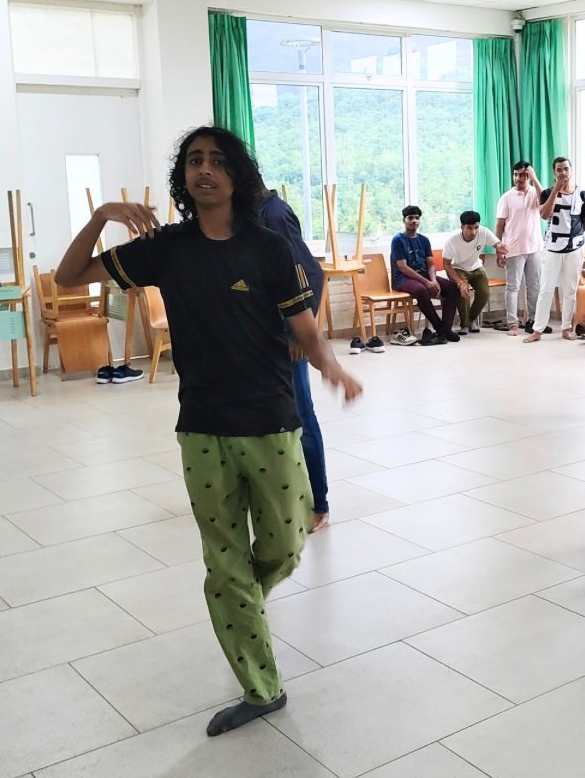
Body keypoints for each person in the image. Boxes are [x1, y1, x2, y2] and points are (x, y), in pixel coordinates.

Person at [54, 126, 361, 737]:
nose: (204, 171)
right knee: (223, 566)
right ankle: (260, 685)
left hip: (271, 421)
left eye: (217, 162)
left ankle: (239, 599)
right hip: (201, 426)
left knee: (286, 545)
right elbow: (69, 277)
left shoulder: (269, 248)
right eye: (194, 161)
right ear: (184, 176)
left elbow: (303, 328)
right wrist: (102, 215)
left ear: (235, 175)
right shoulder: (167, 248)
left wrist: (329, 364)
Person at [259, 186, 332, 531]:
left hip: (286, 338)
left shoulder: (272, 213)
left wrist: (299, 335)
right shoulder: (246, 216)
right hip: (260, 336)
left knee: (300, 415)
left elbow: (310, 273)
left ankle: (318, 504)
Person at [524, 157, 585, 343]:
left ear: (571, 170)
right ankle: (537, 329)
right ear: (554, 173)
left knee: (570, 289)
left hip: (574, 247)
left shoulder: (583, 195)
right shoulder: (547, 193)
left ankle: (566, 327)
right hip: (553, 248)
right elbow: (545, 214)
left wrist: (574, 235)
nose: (563, 173)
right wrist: (556, 190)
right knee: (546, 288)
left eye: (566, 169)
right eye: (559, 170)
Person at [390, 205, 460, 345]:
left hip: (425, 276)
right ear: (404, 220)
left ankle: (446, 329)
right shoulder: (398, 239)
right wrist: (426, 282)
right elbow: (403, 267)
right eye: (410, 218)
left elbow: (431, 263)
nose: (414, 221)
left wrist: (433, 280)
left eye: (417, 218)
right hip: (404, 279)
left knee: (452, 288)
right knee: (422, 290)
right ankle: (439, 327)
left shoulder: (424, 240)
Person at [494, 161, 543, 335]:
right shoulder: (506, 197)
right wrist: (498, 249)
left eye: (522, 175)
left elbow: (545, 202)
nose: (518, 178)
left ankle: (534, 322)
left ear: (528, 175)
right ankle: (512, 324)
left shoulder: (535, 194)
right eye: (516, 175)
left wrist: (535, 178)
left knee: (534, 287)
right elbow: (499, 225)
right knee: (513, 287)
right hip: (513, 249)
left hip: (535, 248)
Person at [442, 210, 508, 333]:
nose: (473, 232)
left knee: (484, 294)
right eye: (469, 228)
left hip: (476, 267)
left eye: (476, 227)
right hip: (458, 267)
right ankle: (465, 325)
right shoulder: (452, 240)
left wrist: (500, 251)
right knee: (463, 293)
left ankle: (470, 320)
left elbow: (497, 243)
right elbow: (446, 264)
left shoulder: (483, 232)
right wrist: (460, 282)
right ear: (462, 227)